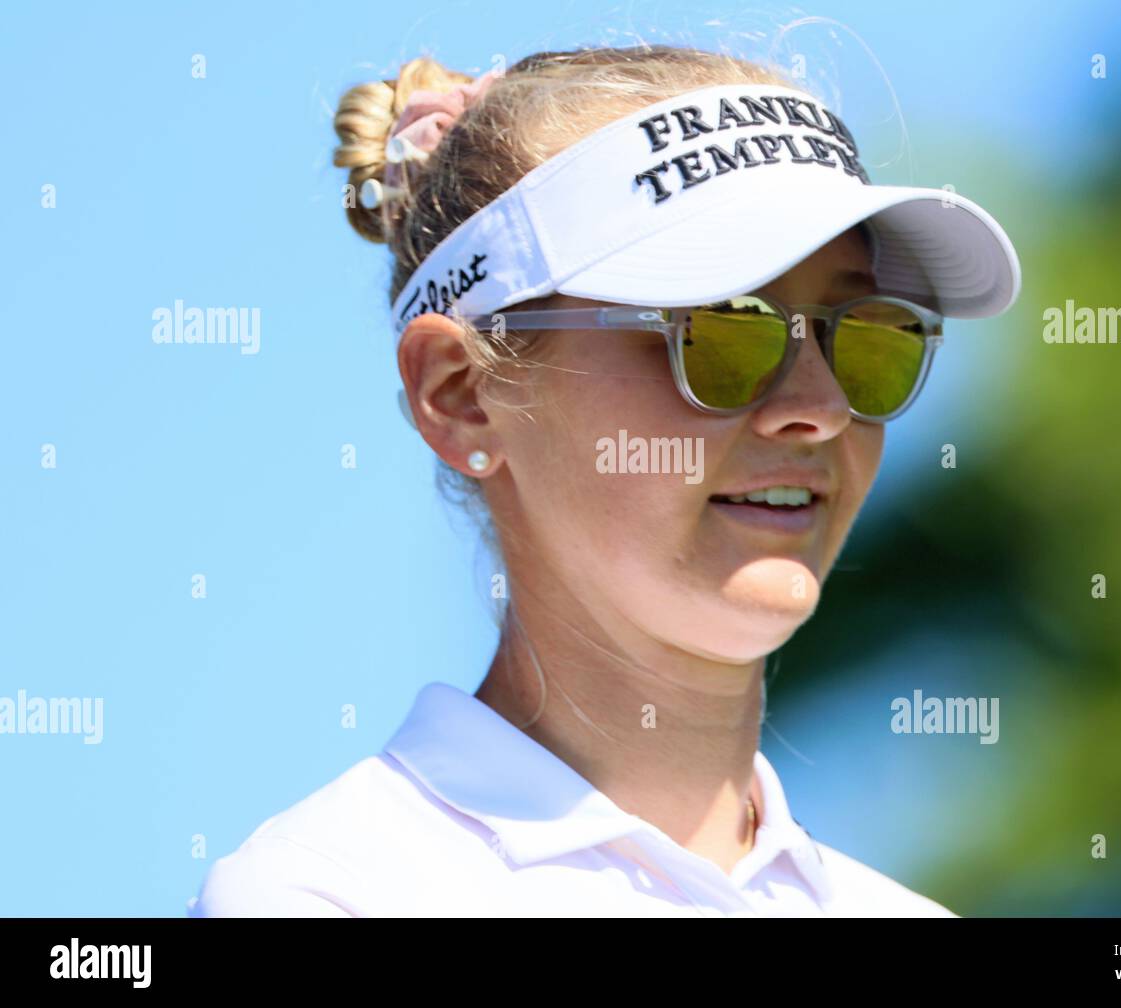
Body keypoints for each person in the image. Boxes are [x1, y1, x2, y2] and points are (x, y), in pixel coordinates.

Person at [187, 43, 1020, 917]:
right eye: (721, 329)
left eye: (866, 335)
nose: (819, 407)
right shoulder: (329, 894)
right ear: (462, 395)